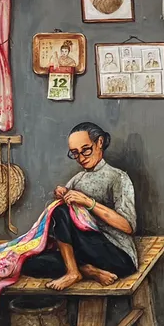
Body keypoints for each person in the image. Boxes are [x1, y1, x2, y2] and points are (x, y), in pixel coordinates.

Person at [23, 122, 139, 290]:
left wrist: (88, 202)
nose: (81, 157)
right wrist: (62, 194)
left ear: (99, 143)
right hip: (85, 253)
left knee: (61, 211)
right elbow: (64, 221)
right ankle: (88, 270)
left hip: (117, 254)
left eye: (86, 150)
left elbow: (128, 226)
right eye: (75, 153)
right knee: (28, 263)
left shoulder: (118, 177)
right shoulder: (78, 179)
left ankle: (73, 271)